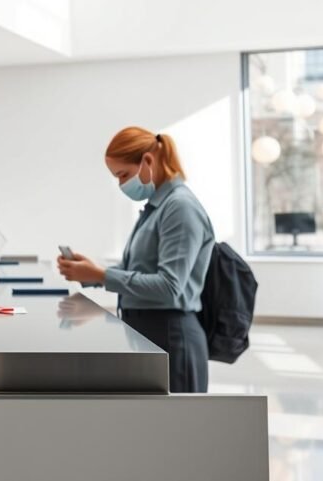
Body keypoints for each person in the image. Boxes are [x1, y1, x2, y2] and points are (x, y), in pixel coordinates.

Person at [57, 127, 214, 393]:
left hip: (172, 337)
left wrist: (100, 276)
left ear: (148, 161)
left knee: (178, 430)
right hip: (151, 334)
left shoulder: (180, 207)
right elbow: (138, 270)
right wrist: (93, 273)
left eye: (124, 175)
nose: (121, 185)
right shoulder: (157, 208)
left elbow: (169, 287)